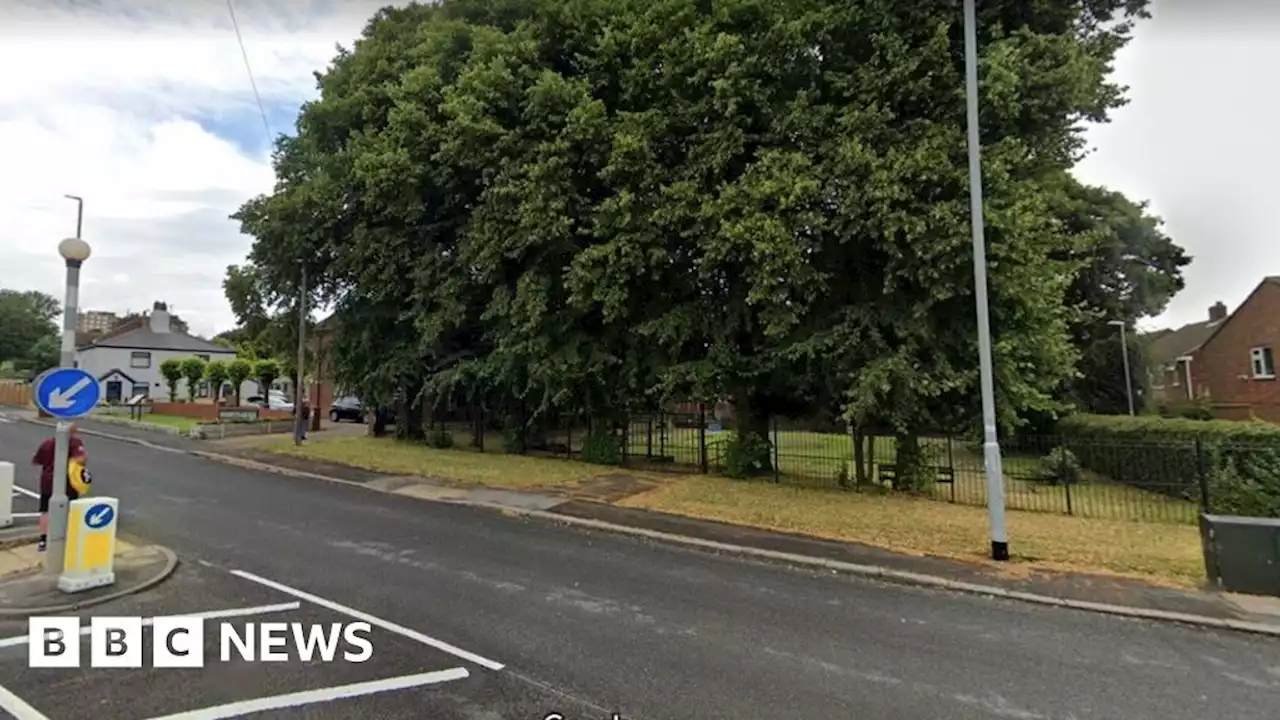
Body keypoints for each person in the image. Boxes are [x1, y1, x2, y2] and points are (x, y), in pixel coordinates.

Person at [31, 422, 88, 552]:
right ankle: (68, 536)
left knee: (45, 510)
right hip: (68, 482)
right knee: (70, 509)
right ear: (73, 432)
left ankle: (43, 540)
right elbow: (81, 459)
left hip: (47, 482)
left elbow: (35, 461)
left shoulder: (47, 444)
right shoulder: (75, 443)